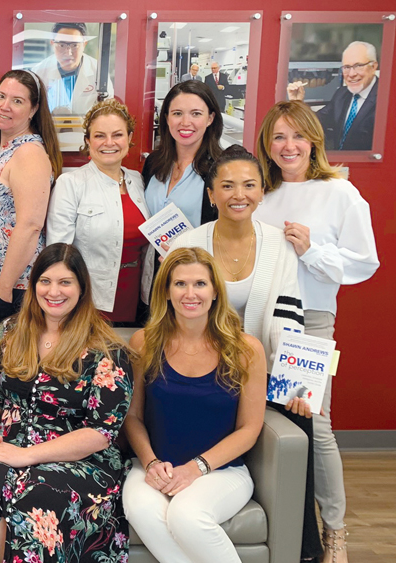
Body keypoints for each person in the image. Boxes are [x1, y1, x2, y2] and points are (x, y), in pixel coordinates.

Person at [169, 144, 321, 561]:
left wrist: (296, 385)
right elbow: (170, 310)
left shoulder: (279, 245)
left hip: (259, 371)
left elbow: (289, 317)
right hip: (197, 370)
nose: (240, 194)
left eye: (250, 185)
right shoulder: (190, 242)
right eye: (228, 185)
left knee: (300, 422)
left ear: (261, 190)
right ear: (212, 193)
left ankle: (305, 547)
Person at [0, 243, 133, 563]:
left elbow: (100, 432)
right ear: (33, 286)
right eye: (45, 281)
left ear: (82, 288)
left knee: (34, 493)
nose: (54, 291)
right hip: (8, 444)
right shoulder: (11, 331)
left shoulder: (105, 348)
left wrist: (26, 456)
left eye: (65, 282)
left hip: (79, 458)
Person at [254, 100, 379, 563]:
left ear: (314, 141)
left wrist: (311, 250)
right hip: (256, 321)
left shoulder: (339, 192)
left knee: (314, 424)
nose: (288, 146)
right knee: (260, 418)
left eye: (297, 136)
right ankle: (287, 525)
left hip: (307, 323)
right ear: (267, 144)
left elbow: (365, 262)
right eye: (279, 137)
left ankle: (335, 531)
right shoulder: (260, 192)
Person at [123, 247, 268, 563]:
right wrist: (150, 463)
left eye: (200, 284)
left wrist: (196, 468)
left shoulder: (246, 349)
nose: (190, 293)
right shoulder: (143, 343)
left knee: (186, 515)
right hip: (153, 466)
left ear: (215, 291)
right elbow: (132, 417)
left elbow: (250, 428)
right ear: (166, 291)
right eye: (180, 284)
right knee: (142, 511)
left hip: (222, 470)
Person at [0, 69, 63, 327]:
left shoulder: (28, 153)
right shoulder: (3, 148)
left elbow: (30, 225)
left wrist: (4, 287)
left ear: (33, 110)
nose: (5, 106)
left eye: (17, 101)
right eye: (1, 97)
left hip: (11, 286)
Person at [46, 99, 150, 324]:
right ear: (88, 141)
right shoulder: (71, 183)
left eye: (117, 135)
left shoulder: (137, 180)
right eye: (100, 135)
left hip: (137, 297)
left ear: (130, 138)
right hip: (90, 301)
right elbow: (58, 253)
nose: (109, 142)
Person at [142, 79, 223, 230]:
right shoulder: (153, 162)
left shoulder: (221, 169)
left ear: (210, 119)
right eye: (177, 113)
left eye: (196, 114)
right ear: (167, 118)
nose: (186, 122)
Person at [287, 41, 378, 151]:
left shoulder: (387, 99)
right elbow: (317, 122)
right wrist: (298, 103)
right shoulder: (342, 93)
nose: (351, 74)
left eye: (358, 66)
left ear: (373, 66)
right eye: (346, 67)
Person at [31, 23, 114, 116]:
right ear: (52, 43)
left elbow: (108, 110)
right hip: (49, 129)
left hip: (87, 129)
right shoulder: (39, 71)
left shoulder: (98, 71)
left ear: (84, 44)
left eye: (74, 45)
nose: (68, 52)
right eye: (62, 45)